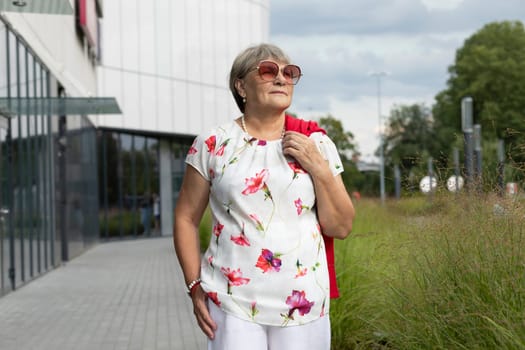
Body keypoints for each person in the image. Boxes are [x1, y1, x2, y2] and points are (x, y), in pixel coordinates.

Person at [173, 43, 355, 350]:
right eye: (269, 71)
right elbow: (185, 217)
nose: (282, 79)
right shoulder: (213, 143)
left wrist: (318, 167)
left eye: (289, 73)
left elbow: (341, 227)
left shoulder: (316, 144)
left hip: (303, 303)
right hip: (232, 302)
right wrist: (194, 286)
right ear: (241, 86)